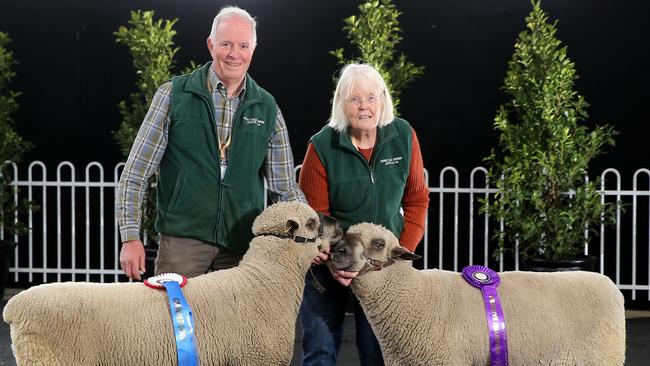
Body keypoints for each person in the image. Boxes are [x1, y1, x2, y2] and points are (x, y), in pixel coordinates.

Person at [116, 6, 305, 281]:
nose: (234, 53)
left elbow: (285, 188)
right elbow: (135, 174)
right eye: (226, 44)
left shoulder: (267, 107)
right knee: (173, 324)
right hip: (182, 245)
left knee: (235, 326)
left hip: (241, 247)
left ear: (254, 48)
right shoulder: (173, 95)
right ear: (211, 44)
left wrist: (312, 231)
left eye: (243, 45)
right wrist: (130, 238)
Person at [298, 63, 430, 365]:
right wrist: (335, 262)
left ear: (382, 100)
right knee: (319, 352)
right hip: (332, 264)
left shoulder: (404, 136)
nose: (364, 107)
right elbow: (316, 217)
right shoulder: (321, 146)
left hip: (383, 266)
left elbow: (417, 200)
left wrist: (398, 253)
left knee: (379, 354)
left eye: (371, 98)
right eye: (355, 99)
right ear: (342, 104)